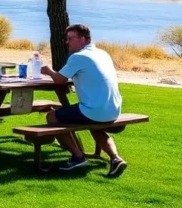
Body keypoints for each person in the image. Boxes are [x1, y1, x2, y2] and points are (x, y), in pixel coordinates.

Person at [40, 23, 127, 176]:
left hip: (94, 110)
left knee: (52, 116)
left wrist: (49, 71)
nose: (67, 42)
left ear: (82, 39)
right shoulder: (102, 53)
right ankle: (116, 159)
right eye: (67, 39)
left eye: (70, 38)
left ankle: (77, 157)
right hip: (113, 110)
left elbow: (59, 80)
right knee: (94, 125)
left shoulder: (78, 57)